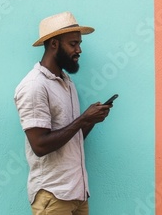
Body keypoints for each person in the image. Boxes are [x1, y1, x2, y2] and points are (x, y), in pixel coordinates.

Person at [14, 11, 113, 215]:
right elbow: (40, 145)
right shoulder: (34, 86)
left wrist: (91, 121)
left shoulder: (67, 83)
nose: (79, 50)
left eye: (79, 44)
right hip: (53, 195)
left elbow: (71, 140)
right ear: (54, 44)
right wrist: (83, 119)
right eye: (73, 44)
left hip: (77, 194)